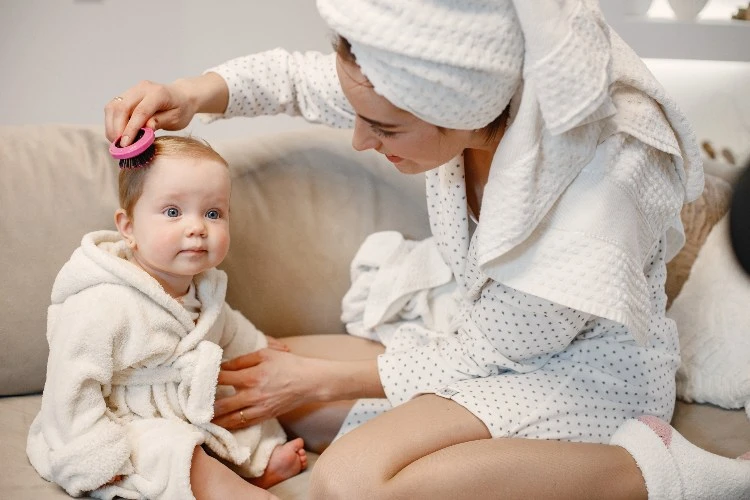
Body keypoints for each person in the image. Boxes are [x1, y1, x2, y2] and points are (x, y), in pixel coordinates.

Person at [104, 0, 750, 498]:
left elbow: (507, 347)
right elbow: (296, 81)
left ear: (468, 114)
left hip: (585, 376)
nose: (360, 140)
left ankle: (670, 471)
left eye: (384, 129)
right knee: (247, 371)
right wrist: (189, 93)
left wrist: (325, 377)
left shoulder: (600, 177)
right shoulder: (442, 80)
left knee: (348, 481)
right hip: (484, 349)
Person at [26, 136, 307, 500]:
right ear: (128, 227)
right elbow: (71, 388)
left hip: (184, 403)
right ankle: (244, 493)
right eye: (173, 212)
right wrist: (93, 453)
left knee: (241, 411)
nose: (197, 228)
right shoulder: (101, 302)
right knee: (168, 447)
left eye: (213, 213)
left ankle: (243, 475)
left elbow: (227, 327)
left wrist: (260, 345)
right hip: (119, 420)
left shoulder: (206, 289)